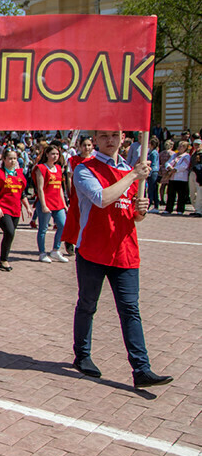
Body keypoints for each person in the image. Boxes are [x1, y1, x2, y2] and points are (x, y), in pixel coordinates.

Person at [68, 130, 173, 389]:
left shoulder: (130, 169)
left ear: (123, 137)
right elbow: (102, 199)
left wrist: (141, 211)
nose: (110, 141)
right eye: (103, 136)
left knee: (130, 309)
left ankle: (141, 368)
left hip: (125, 250)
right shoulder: (85, 169)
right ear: (95, 138)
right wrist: (134, 176)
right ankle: (82, 355)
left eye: (114, 135)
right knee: (88, 304)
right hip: (93, 250)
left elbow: (133, 212)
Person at [0, 148, 31, 271]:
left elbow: (22, 193)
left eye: (15, 158)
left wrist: (28, 207)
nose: (13, 161)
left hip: (15, 209)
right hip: (3, 208)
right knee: (9, 232)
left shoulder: (19, 174)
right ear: (4, 159)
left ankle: (4, 258)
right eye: (10, 158)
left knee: (10, 234)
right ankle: (4, 260)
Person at [34, 145, 68, 263]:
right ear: (47, 154)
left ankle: (55, 250)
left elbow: (60, 188)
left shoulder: (58, 168)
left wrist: (64, 204)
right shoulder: (41, 168)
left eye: (57, 154)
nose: (55, 156)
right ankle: (42, 253)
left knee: (63, 225)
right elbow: (40, 188)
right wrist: (43, 205)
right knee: (43, 229)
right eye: (53, 154)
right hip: (46, 202)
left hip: (57, 203)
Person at [163, 140, 191, 214]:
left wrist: (175, 169)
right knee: (171, 193)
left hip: (181, 178)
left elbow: (184, 166)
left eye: (181, 146)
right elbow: (168, 162)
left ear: (185, 148)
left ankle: (180, 209)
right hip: (173, 177)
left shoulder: (186, 156)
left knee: (181, 194)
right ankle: (168, 209)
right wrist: (169, 167)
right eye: (178, 146)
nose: (179, 147)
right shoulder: (174, 155)